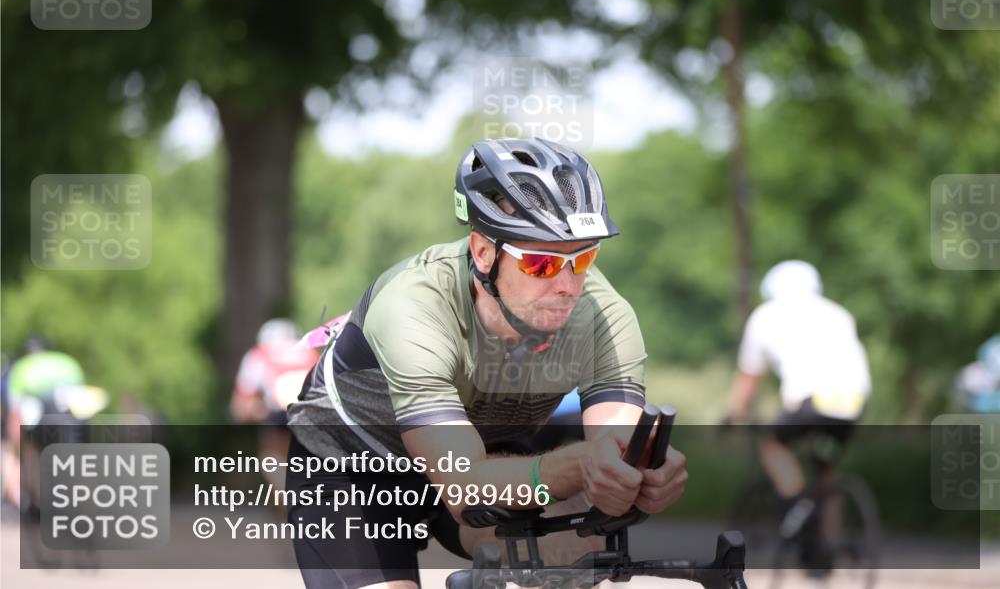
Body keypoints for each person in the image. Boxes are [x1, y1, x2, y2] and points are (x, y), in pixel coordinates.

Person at [286, 137, 688, 589]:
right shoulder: (413, 305)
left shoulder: (603, 315)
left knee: (575, 560)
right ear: (483, 252)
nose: (569, 286)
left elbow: (614, 446)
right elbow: (463, 485)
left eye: (584, 258)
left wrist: (638, 478)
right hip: (355, 467)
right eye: (541, 263)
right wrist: (580, 466)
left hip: (482, 452)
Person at [725, 260, 871, 569]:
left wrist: (732, 415)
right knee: (827, 467)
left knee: (772, 444)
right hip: (852, 403)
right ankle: (828, 542)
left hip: (811, 401)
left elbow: (748, 380)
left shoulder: (764, 316)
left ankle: (798, 507)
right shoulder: (837, 313)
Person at [230, 318, 319, 488]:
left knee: (270, 458)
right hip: (314, 413)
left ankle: (287, 495)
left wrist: (258, 413)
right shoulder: (309, 352)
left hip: (280, 413)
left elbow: (241, 405)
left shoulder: (259, 354)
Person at [2, 337, 88, 507]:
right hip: (75, 420)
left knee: (32, 453)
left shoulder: (22, 368)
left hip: (44, 420)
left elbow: (16, 413)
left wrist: (16, 444)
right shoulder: (67, 363)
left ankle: (39, 501)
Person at [955, 334, 1000, 413]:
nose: (979, 374)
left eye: (973, 371)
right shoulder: (994, 400)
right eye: (978, 383)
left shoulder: (988, 351)